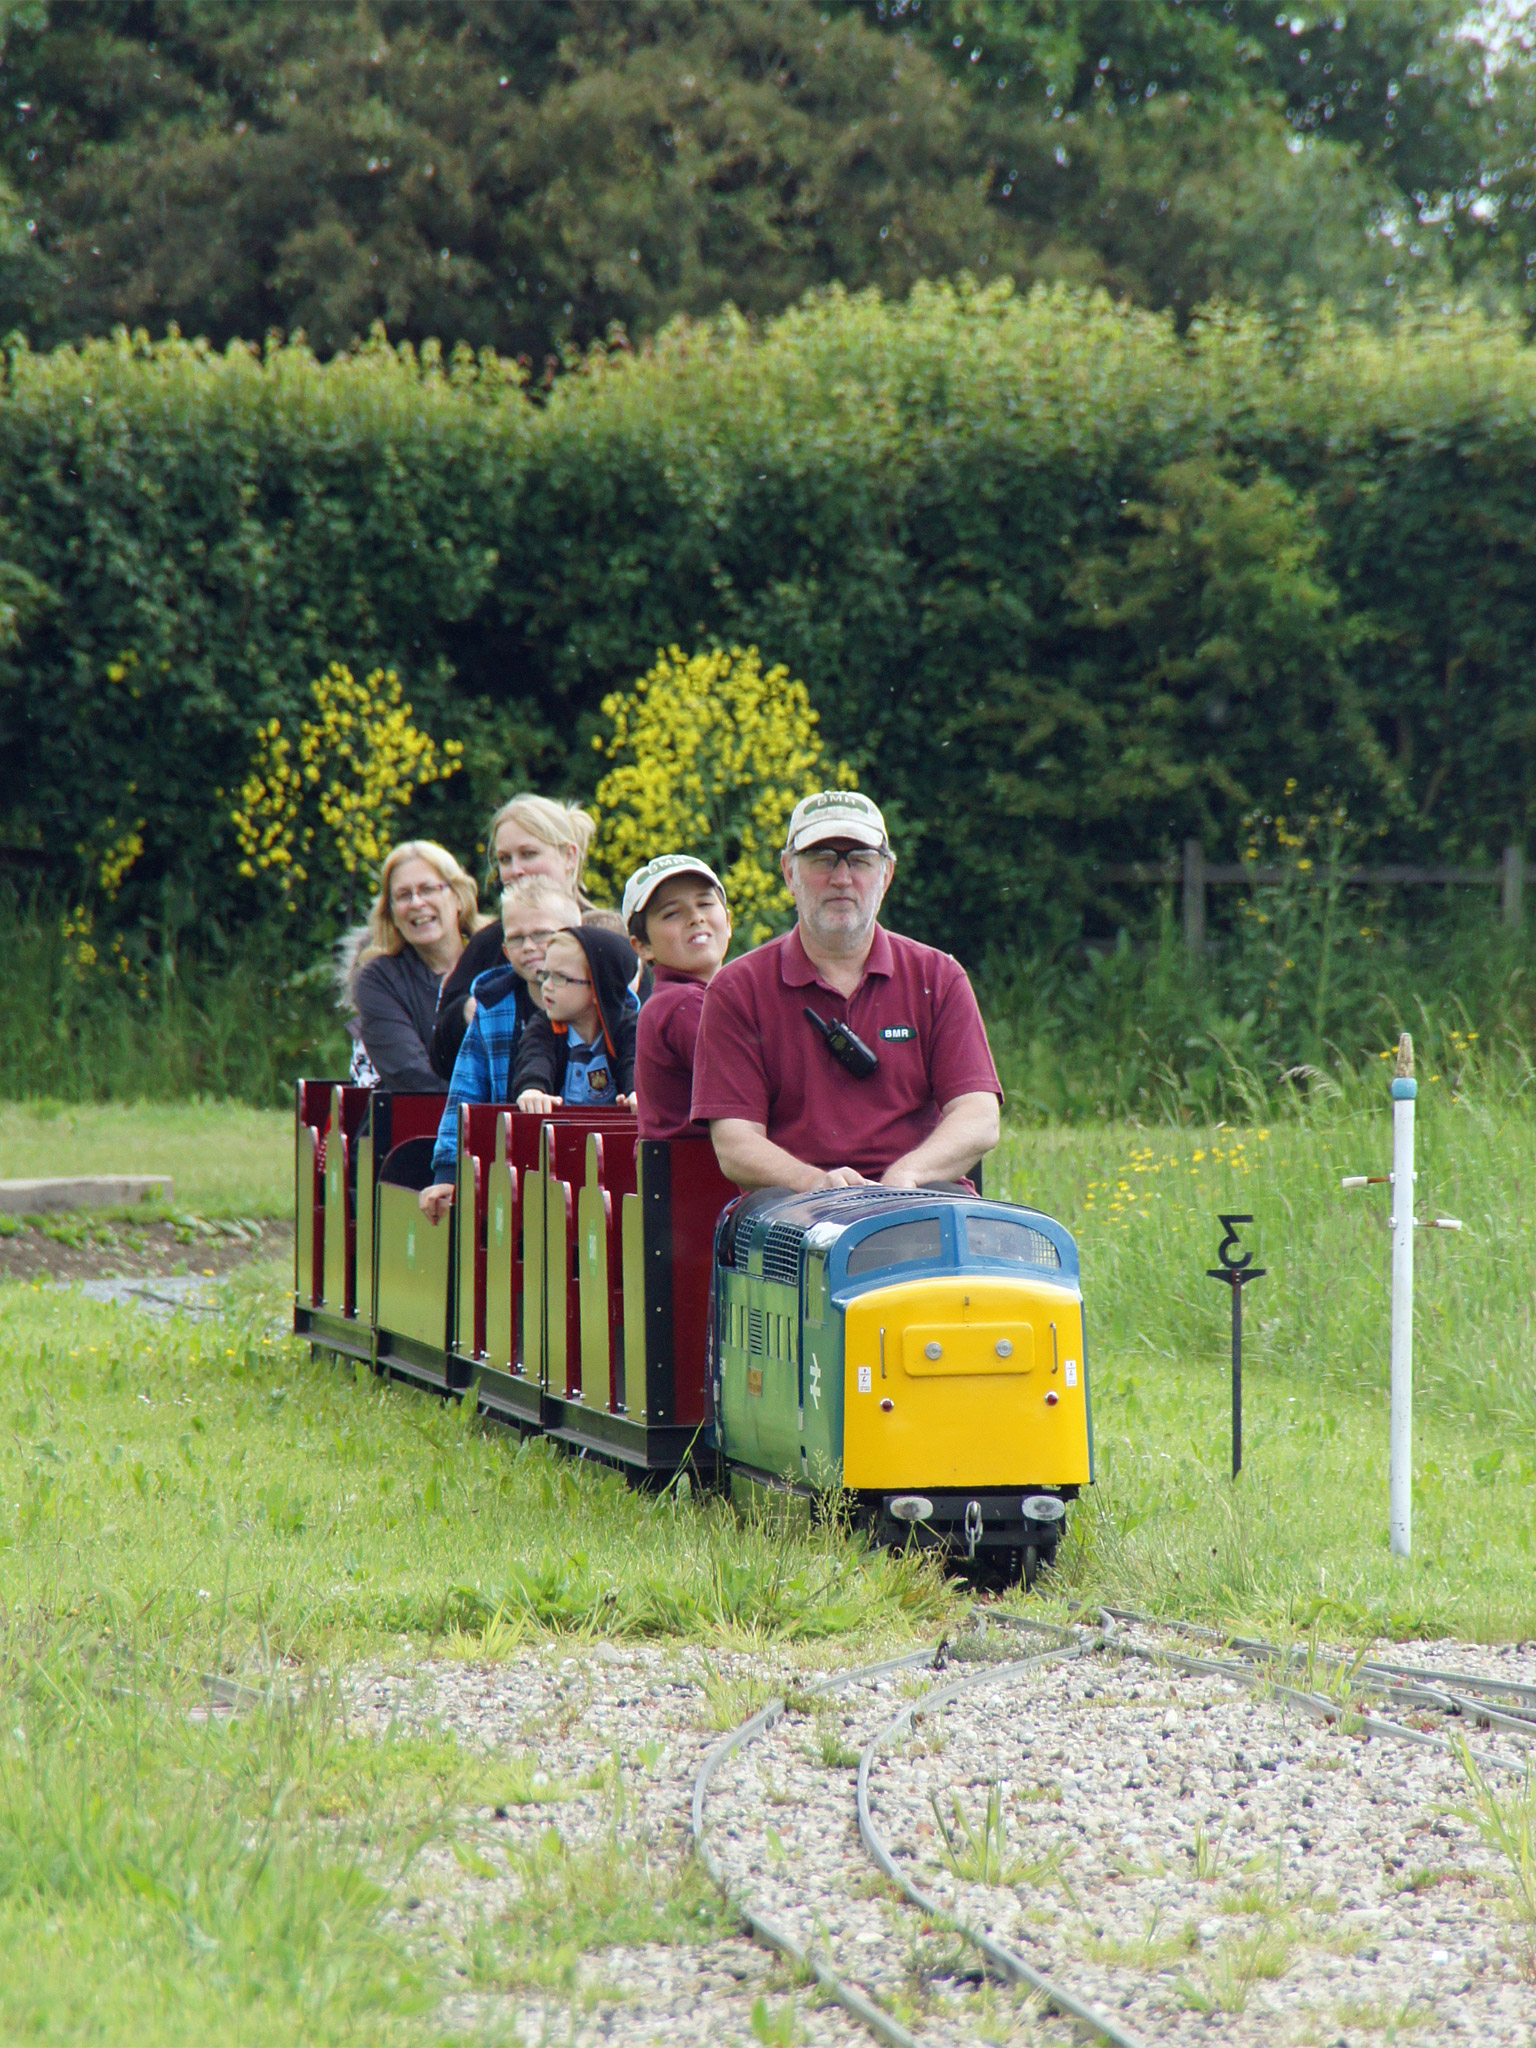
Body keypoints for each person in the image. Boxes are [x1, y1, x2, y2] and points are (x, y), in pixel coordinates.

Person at [691, 790, 1001, 1190]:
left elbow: (979, 1116)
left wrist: (905, 1178)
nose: (841, 879)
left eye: (859, 861)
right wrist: (818, 1183)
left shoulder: (939, 977)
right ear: (789, 872)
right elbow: (735, 1144)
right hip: (791, 1209)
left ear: (886, 874)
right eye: (822, 860)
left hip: (919, 1198)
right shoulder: (736, 990)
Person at [417, 876, 581, 1223]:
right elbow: (465, 1093)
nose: (529, 947)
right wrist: (447, 1173)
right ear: (505, 950)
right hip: (508, 1168)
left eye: (542, 935)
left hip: (583, 1161)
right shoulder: (492, 1009)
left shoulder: (607, 1007)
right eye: (517, 938)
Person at [430, 795, 599, 1080]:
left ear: (569, 856)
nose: (515, 869)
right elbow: (440, 1058)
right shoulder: (490, 944)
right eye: (505, 859)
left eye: (529, 854)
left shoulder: (604, 937)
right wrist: (465, 1014)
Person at [352, 841, 491, 1094]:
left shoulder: (497, 960)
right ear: (392, 913)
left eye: (428, 889)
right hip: (416, 1125)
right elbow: (411, 1074)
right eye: (403, 895)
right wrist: (480, 1110)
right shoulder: (379, 979)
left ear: (458, 897)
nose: (417, 903)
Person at [623, 854, 731, 1141]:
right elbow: (752, 1088)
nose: (696, 917)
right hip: (694, 1178)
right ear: (643, 947)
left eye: (705, 903)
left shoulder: (713, 999)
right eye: (672, 913)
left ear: (728, 922)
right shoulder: (682, 1005)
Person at [511, 926, 639, 1114]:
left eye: (560, 978)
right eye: (546, 975)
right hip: (556, 1133)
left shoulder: (629, 1027)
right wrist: (533, 1089)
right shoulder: (544, 1026)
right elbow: (535, 1057)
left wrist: (636, 1091)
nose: (546, 986)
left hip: (612, 1135)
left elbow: (634, 1060)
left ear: (598, 990)